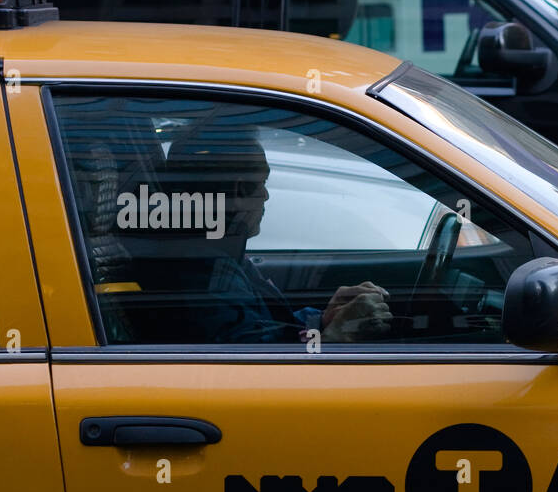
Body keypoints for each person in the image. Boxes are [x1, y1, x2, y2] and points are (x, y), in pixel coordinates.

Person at [157, 127, 393, 344]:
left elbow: (267, 334)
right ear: (239, 191)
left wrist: (323, 319)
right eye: (262, 182)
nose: (266, 195)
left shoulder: (217, 258)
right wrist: (337, 335)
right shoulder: (207, 285)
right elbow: (256, 378)